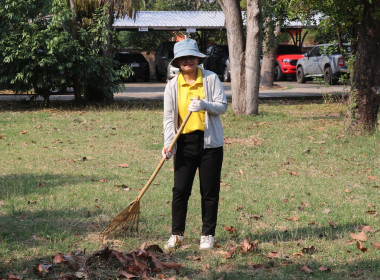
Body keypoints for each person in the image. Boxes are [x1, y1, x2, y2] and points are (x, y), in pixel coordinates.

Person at [162, 38, 228, 250]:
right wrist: (168, 143)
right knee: (180, 190)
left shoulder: (211, 79)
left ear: (198, 59)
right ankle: (177, 234)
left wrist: (204, 105)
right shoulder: (173, 86)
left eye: (192, 57)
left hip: (210, 144)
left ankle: (207, 235)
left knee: (209, 191)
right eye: (183, 58)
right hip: (184, 144)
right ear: (178, 62)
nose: (188, 61)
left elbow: (222, 106)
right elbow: (169, 117)